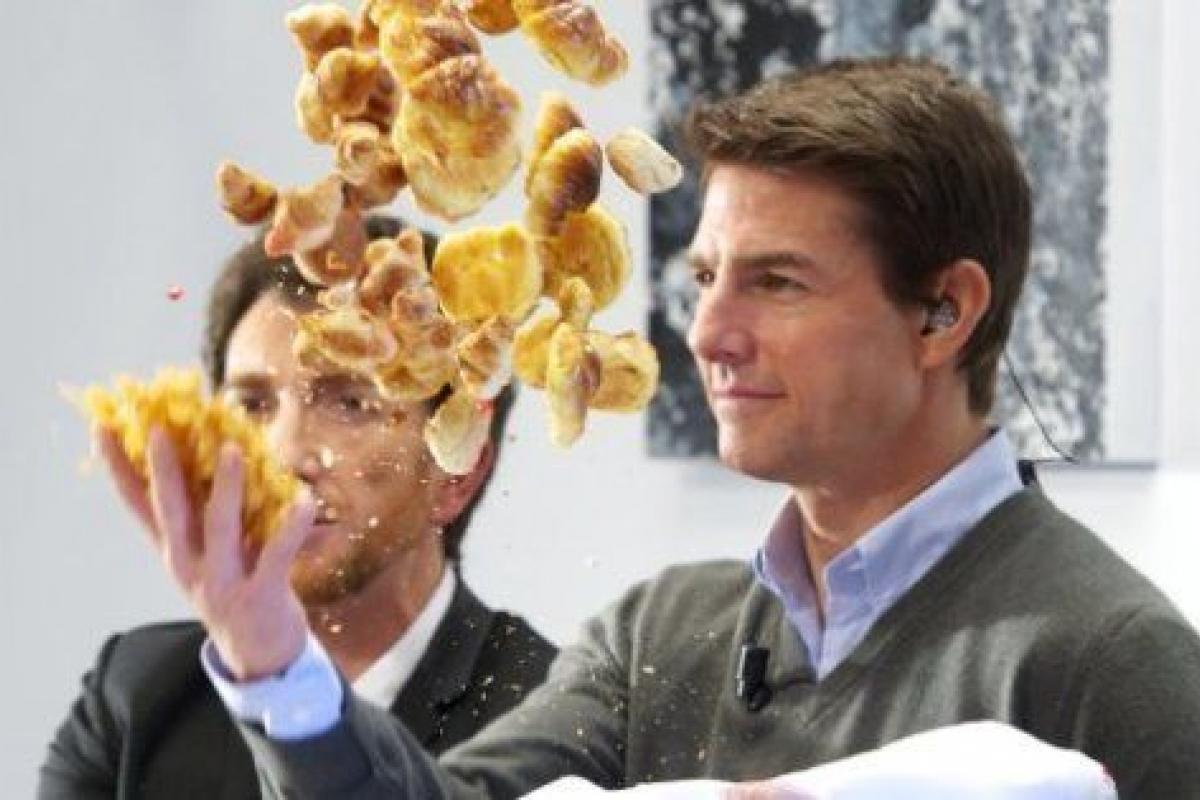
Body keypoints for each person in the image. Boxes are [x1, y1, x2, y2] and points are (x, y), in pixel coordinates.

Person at [92, 57, 1200, 799]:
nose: (708, 331)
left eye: (777, 282)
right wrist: (272, 655)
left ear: (944, 312)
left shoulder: (1112, 662)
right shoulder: (659, 635)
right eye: (705, 276)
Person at [37, 217, 558, 799]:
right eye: (252, 404)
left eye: (351, 403)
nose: (285, 455)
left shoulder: (554, 724)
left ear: (456, 472)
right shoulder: (135, 698)